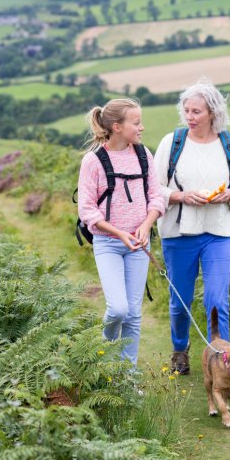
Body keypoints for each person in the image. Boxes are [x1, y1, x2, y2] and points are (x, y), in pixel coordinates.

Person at [154, 79, 230, 375]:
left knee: (217, 299)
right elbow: (154, 188)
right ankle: (180, 351)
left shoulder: (229, 144)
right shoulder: (172, 143)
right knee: (180, 301)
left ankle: (222, 361)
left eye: (196, 111)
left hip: (219, 231)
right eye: (186, 110)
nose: (190, 117)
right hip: (179, 233)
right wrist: (180, 195)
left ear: (212, 113)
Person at [77, 98, 165, 367]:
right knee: (118, 309)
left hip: (139, 245)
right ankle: (103, 355)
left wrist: (146, 226)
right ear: (117, 127)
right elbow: (87, 210)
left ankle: (128, 378)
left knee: (134, 315)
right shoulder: (93, 161)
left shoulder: (143, 155)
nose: (142, 127)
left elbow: (156, 197)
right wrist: (119, 233)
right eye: (136, 123)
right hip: (108, 244)